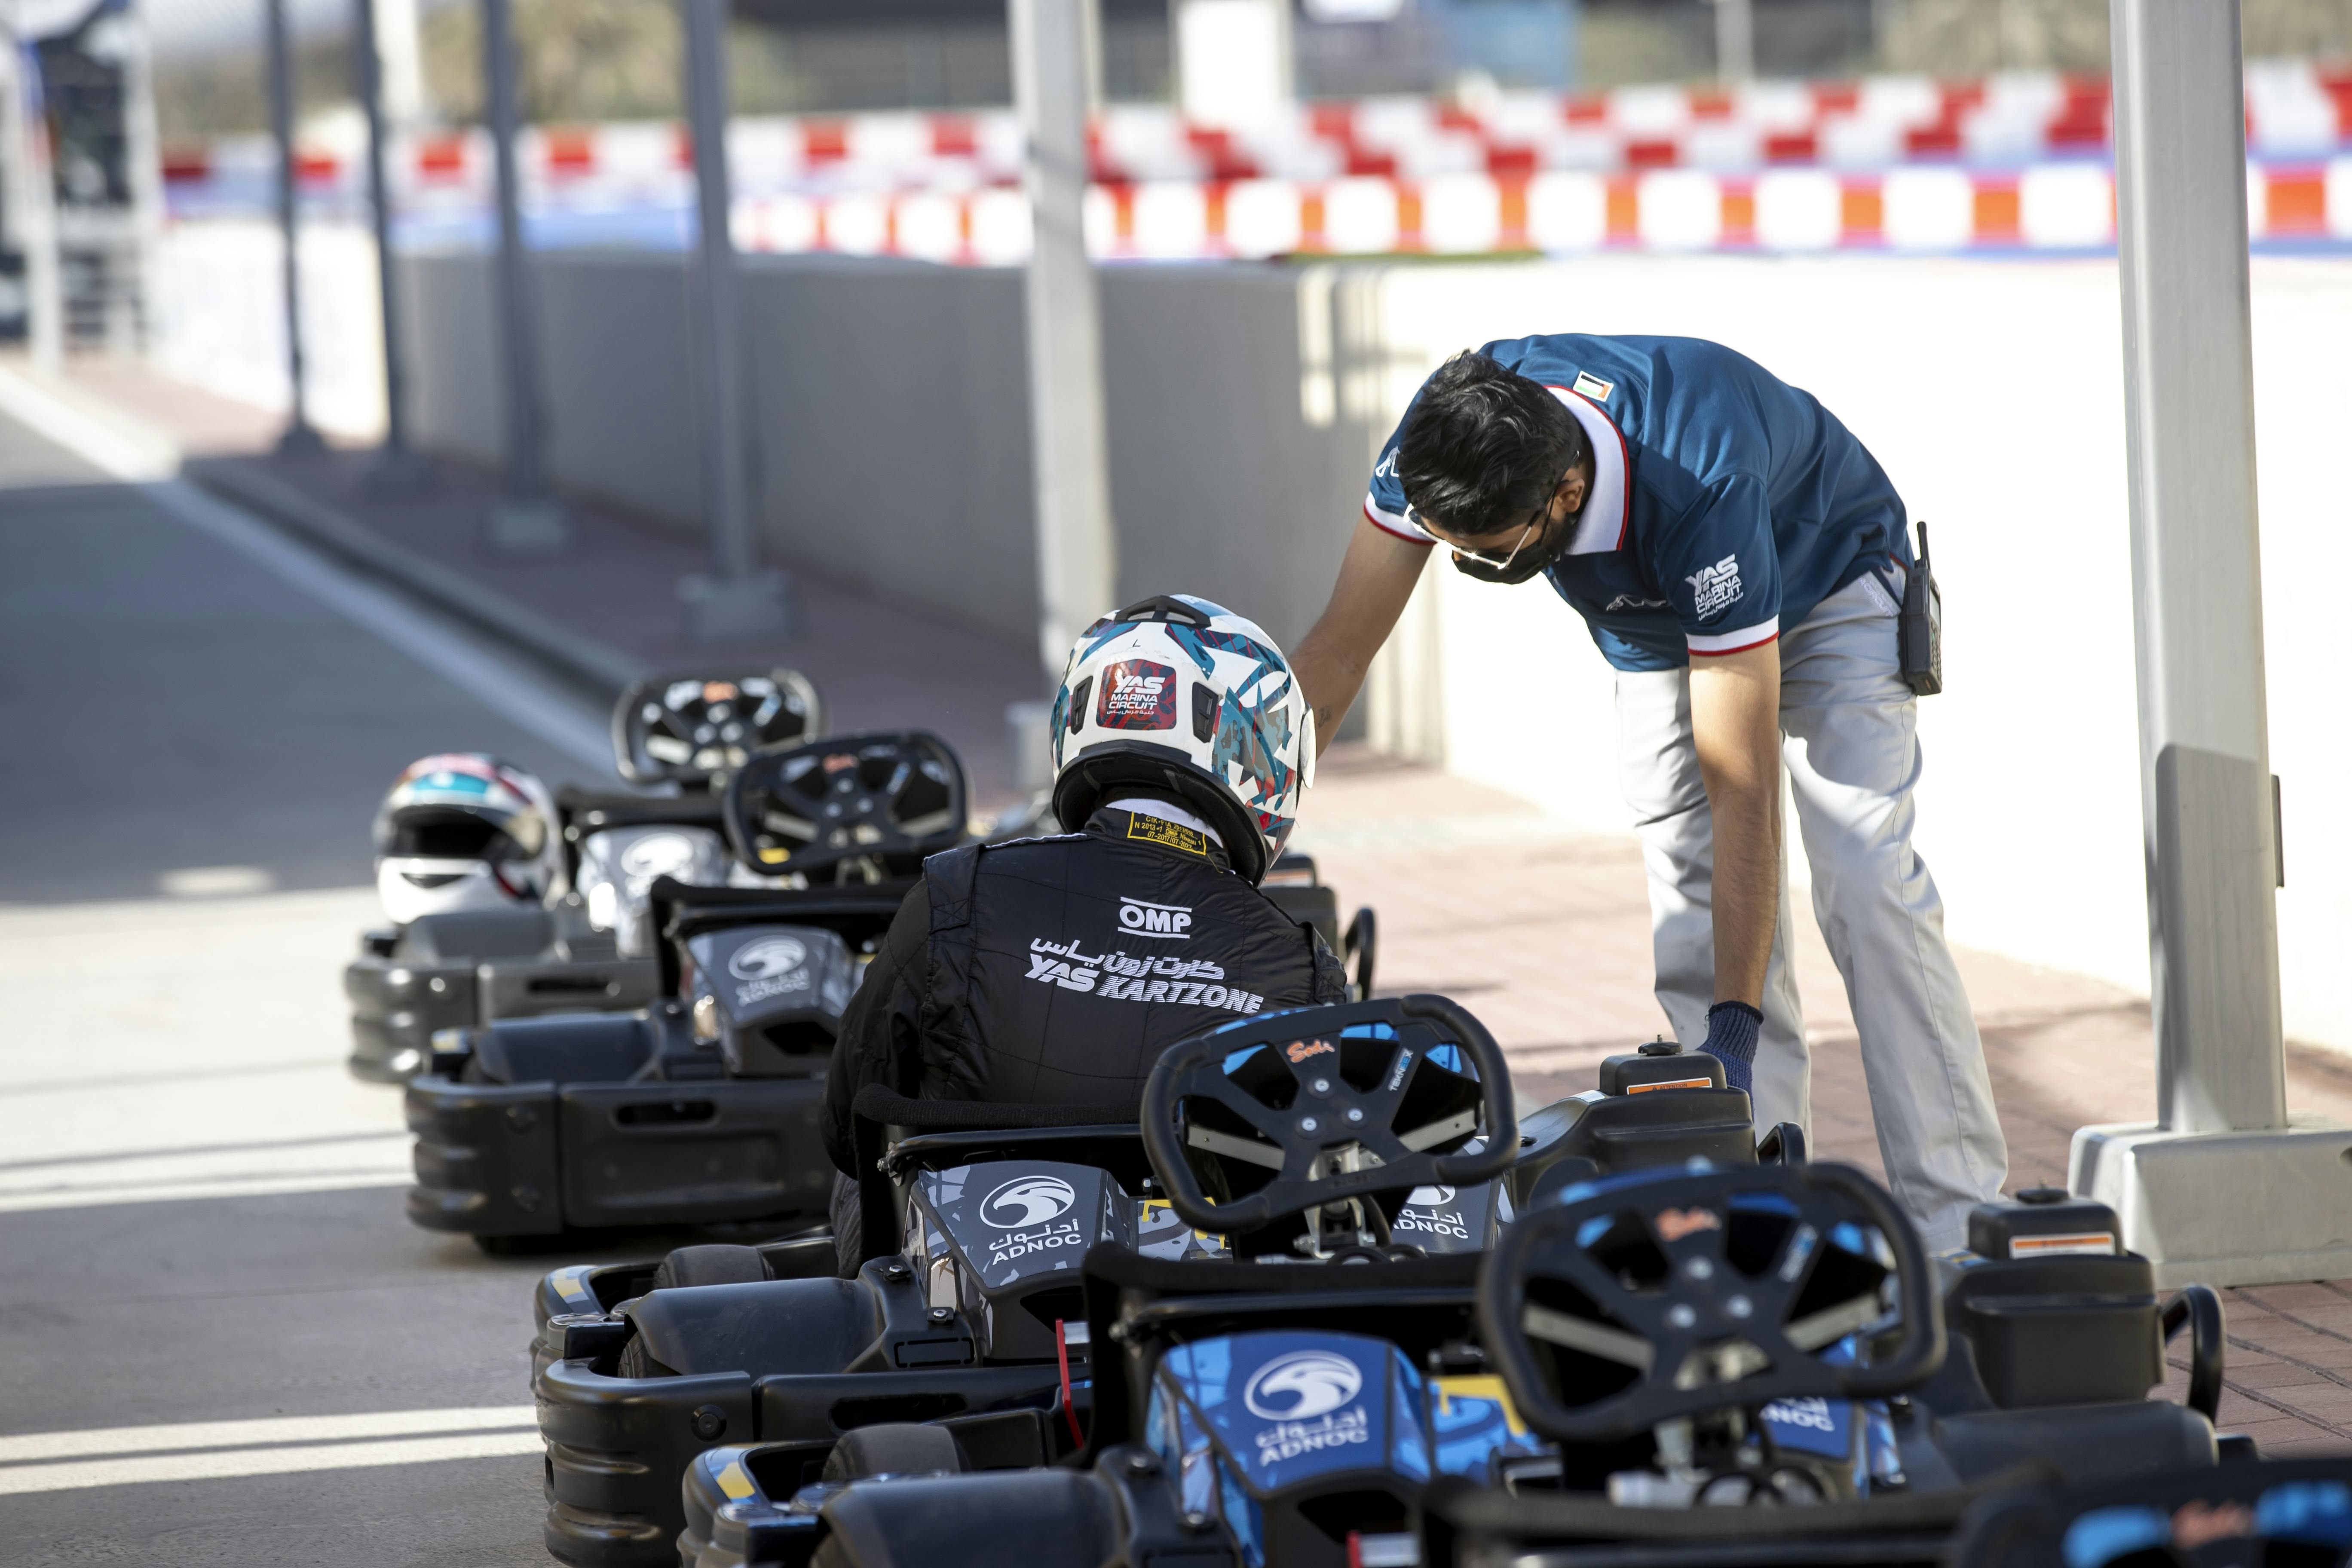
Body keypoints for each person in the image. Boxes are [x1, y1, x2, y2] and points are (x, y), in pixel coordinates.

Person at [1289, 339, 2005, 1249]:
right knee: (1688, 896)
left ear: (1566, 495)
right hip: (1658, 625)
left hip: (1830, 584)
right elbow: (1338, 651)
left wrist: (1735, 1028)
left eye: (1489, 556)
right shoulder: (1451, 429)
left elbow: (1741, 788)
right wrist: (1242, 835)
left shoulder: (1700, 474)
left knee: (1867, 884)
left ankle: (1955, 1228)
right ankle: (1755, 1222)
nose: (1465, 563)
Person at [819, 593, 1348, 1269]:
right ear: (1263, 756)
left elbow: (845, 1129)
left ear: (1080, 719)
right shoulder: (1302, 966)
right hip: (1196, 1305)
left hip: (971, 1307)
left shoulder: (960, 889)